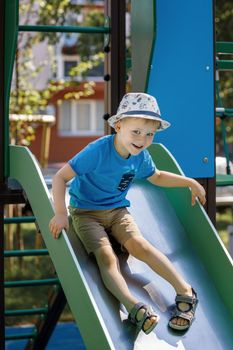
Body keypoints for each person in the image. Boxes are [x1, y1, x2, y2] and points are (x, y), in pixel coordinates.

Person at [49, 92, 206, 335]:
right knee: (107, 258)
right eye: (136, 132)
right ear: (119, 125)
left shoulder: (141, 155)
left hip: (117, 211)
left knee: (139, 246)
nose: (142, 139)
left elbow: (157, 177)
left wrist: (189, 182)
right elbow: (61, 177)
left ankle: (185, 290)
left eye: (149, 134)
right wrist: (60, 212)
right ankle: (134, 306)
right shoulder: (98, 151)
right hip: (86, 213)